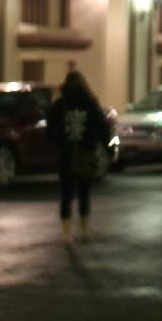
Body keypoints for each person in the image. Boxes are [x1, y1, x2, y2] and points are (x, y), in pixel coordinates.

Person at [47, 70, 110, 243]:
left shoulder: (60, 104)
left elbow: (50, 126)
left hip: (65, 154)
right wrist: (108, 149)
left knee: (66, 194)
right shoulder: (90, 103)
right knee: (84, 192)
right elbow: (102, 128)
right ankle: (84, 229)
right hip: (85, 153)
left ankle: (66, 234)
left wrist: (55, 141)